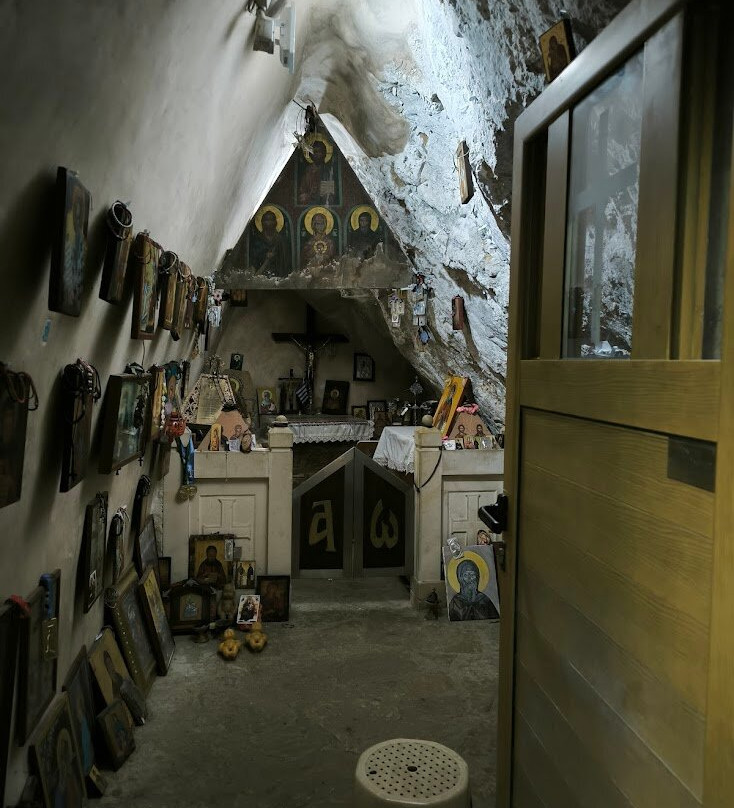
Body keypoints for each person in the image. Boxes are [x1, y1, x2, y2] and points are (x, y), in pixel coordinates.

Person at [249, 209, 291, 277]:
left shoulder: (281, 240)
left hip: (278, 275)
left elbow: (285, 260)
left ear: (275, 222)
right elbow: (254, 260)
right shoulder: (257, 239)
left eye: (271, 220)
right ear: (262, 222)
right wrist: (265, 256)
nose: (269, 222)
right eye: (266, 220)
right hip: (261, 274)